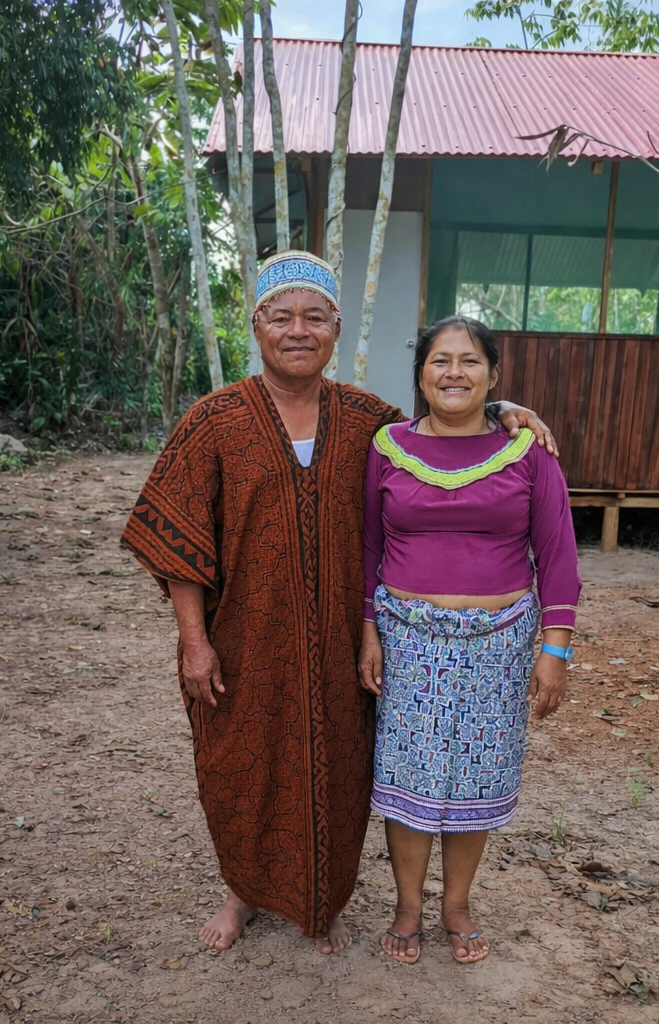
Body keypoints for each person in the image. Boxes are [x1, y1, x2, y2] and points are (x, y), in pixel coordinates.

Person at [121, 252, 558, 954]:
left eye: (314, 317)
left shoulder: (368, 423)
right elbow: (180, 543)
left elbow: (445, 423)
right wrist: (195, 641)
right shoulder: (214, 421)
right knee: (241, 763)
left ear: (335, 328)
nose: (299, 330)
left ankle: (317, 900)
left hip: (342, 646)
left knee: (338, 766)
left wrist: (503, 411)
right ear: (257, 324)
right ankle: (241, 891)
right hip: (244, 642)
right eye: (282, 316)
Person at [359, 314, 581, 965]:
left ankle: (456, 904)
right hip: (407, 641)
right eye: (440, 361)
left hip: (500, 644)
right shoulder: (387, 446)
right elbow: (369, 545)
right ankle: (407, 905)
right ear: (421, 373)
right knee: (408, 774)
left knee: (477, 777)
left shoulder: (528, 451)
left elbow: (559, 552)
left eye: (469, 362)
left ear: (492, 375)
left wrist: (555, 649)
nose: (454, 372)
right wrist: (366, 629)